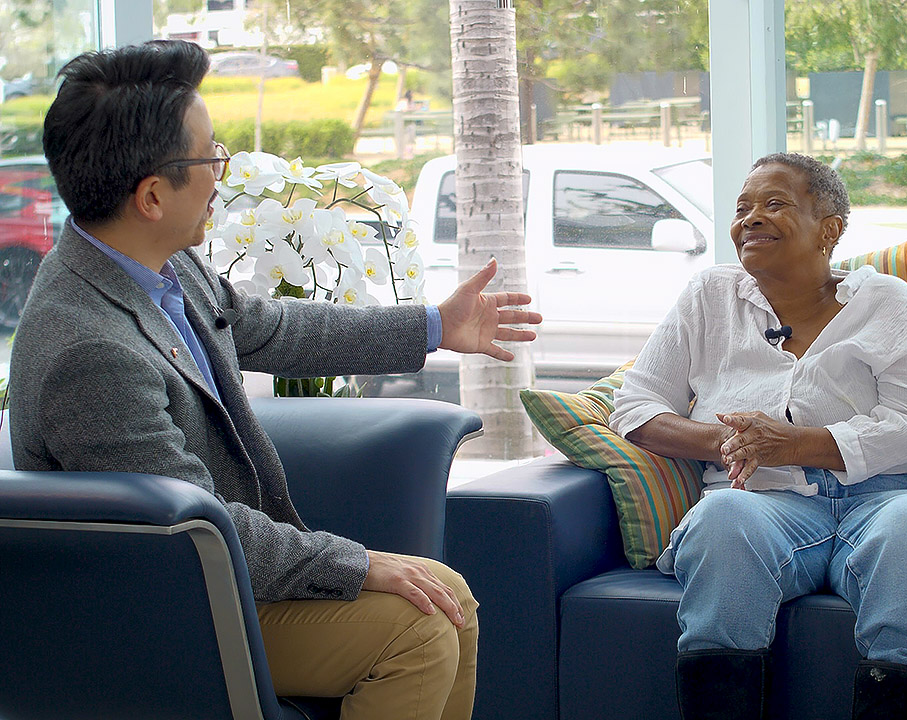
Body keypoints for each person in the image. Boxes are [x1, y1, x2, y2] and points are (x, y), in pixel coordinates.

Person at [11, 40, 541, 720]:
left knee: (450, 598)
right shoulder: (90, 349)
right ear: (150, 196)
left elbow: (271, 327)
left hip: (218, 585)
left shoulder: (162, 267)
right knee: (418, 628)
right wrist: (359, 562)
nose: (222, 174)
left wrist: (437, 326)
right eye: (210, 159)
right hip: (159, 615)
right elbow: (191, 529)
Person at [609, 152, 907, 720]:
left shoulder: (887, 302)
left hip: (896, 494)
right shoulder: (708, 297)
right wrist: (722, 443)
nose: (751, 218)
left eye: (774, 205)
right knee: (721, 519)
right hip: (766, 502)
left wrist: (797, 442)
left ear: (830, 230)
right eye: (743, 207)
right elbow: (636, 403)